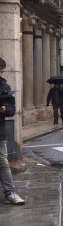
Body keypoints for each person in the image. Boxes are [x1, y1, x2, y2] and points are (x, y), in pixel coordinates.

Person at [0, 58, 25, 205]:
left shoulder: (4, 87)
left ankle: (10, 192)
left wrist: (3, 109)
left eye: (2, 70)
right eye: (1, 70)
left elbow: (11, 109)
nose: (2, 73)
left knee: (2, 161)